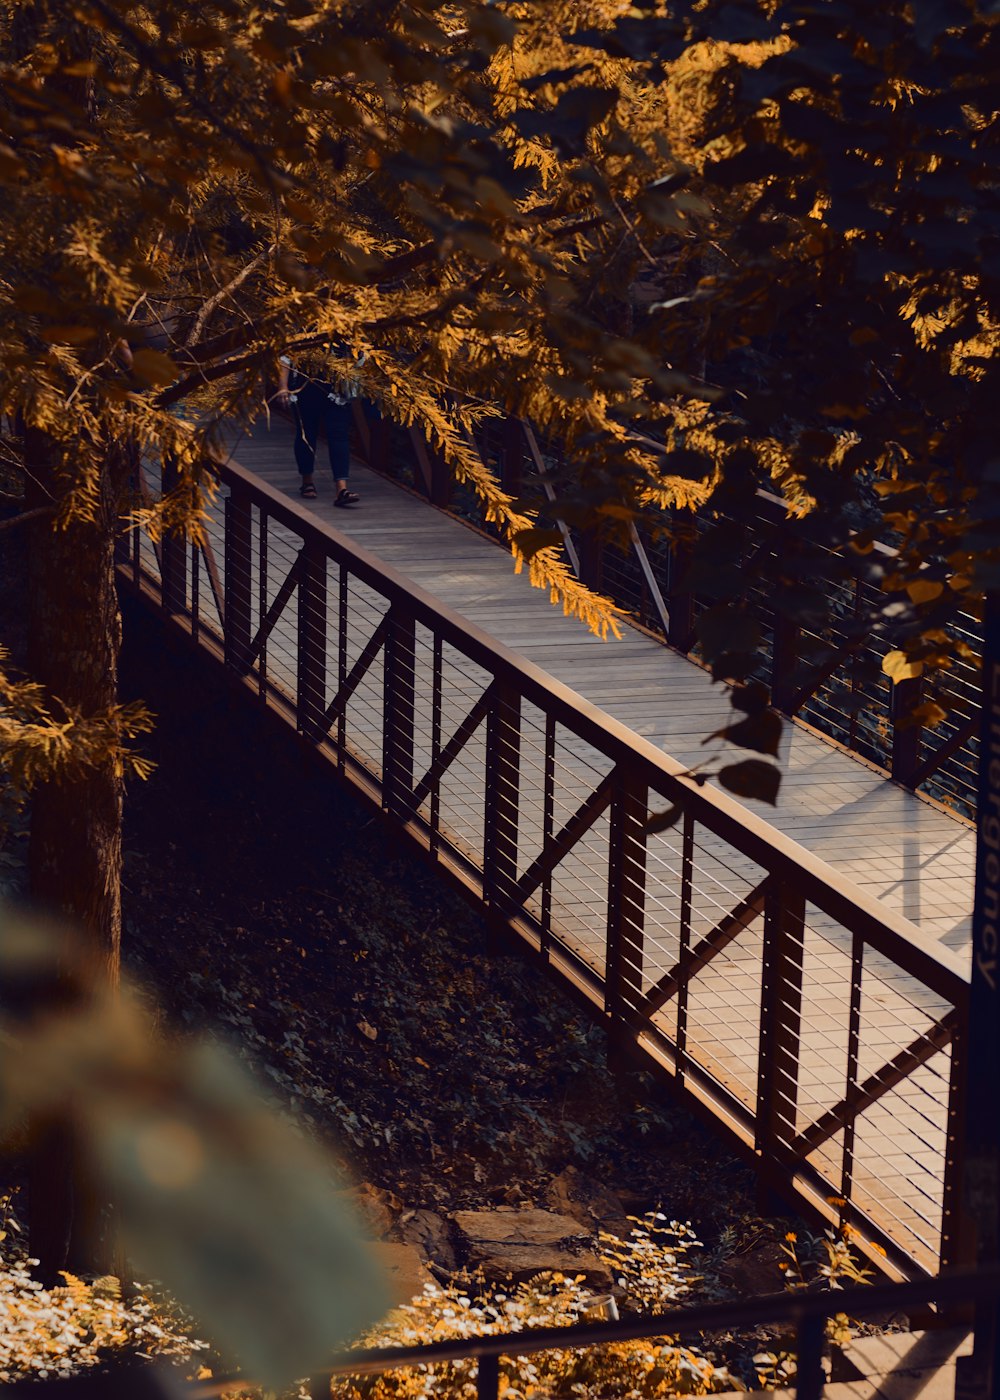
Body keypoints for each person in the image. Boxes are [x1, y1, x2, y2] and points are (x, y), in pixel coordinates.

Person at [276, 345, 364, 506]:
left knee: (339, 436)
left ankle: (341, 489)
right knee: (306, 434)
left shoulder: (348, 332)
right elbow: (286, 356)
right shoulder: (304, 328)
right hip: (305, 386)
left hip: (337, 389)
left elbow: (359, 357)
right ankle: (307, 480)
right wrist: (283, 387)